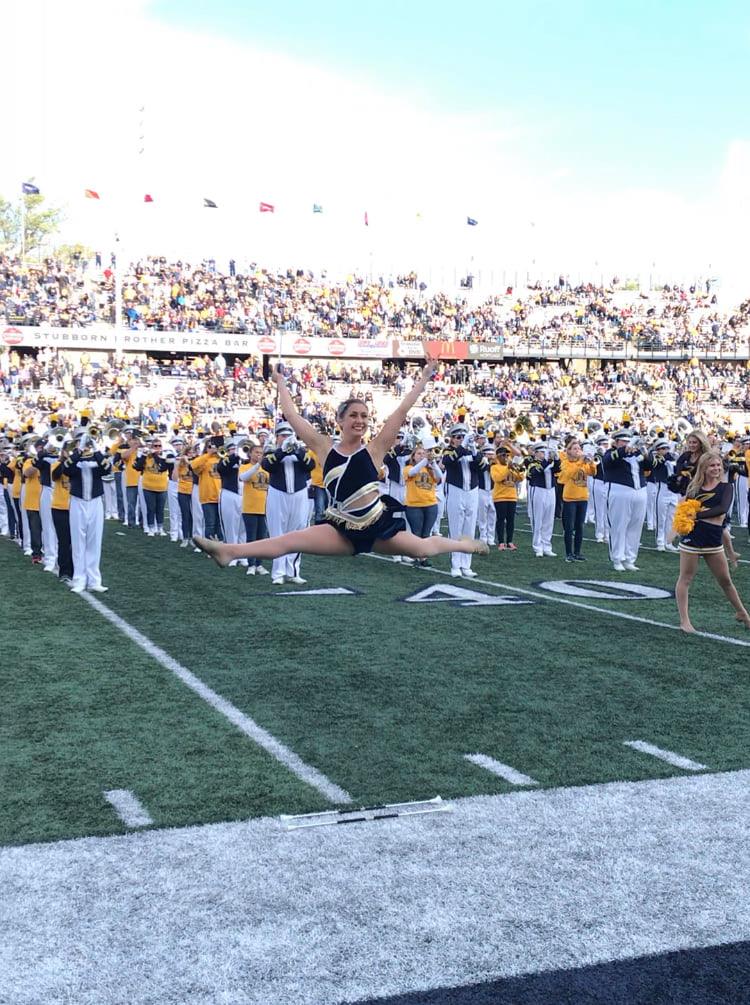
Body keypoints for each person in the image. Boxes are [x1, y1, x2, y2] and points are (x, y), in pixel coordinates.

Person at [193, 355, 488, 567]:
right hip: (341, 529)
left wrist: (424, 378)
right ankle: (229, 551)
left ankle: (463, 544)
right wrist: (281, 384)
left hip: (376, 526)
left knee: (422, 549)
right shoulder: (325, 449)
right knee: (289, 540)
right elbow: (293, 417)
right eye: (353, 416)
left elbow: (400, 412)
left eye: (363, 416)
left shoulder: (375, 449)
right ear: (339, 421)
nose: (359, 421)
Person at [675, 451, 750, 633]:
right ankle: (684, 621)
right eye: (712, 466)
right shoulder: (694, 489)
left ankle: (742, 613)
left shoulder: (726, 488)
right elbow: (684, 511)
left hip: (714, 538)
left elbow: (722, 510)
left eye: (718, 465)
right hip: (694, 538)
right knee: (685, 579)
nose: (716, 469)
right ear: (704, 468)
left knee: (725, 580)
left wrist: (730, 551)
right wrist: (686, 520)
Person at [557, 439, 597, 562]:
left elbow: (593, 472)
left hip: (583, 497)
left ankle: (577, 552)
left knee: (580, 526)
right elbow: (570, 474)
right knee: (569, 527)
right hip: (570, 498)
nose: (578, 451)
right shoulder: (565, 462)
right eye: (575, 449)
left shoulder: (583, 462)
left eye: (579, 449)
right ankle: (568, 553)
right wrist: (580, 462)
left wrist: (591, 463)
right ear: (569, 451)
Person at [403, 442, 442, 567]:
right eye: (419, 454)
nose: (421, 455)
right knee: (416, 533)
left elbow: (440, 478)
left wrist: (434, 463)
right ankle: (416, 556)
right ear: (413, 456)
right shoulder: (408, 468)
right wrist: (425, 461)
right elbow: (413, 473)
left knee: (426, 533)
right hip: (414, 505)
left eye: (423, 453)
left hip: (430, 504)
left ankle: (423, 558)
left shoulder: (429, 468)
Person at [238, 442, 270, 575]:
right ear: (250, 453)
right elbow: (243, 477)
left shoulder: (267, 469)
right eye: (256, 452)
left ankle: (259, 564)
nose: (259, 455)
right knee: (251, 538)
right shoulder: (244, 466)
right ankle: (251, 564)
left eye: (261, 453)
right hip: (249, 508)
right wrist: (257, 465)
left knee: (261, 538)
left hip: (264, 508)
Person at [524, 441, 559, 558]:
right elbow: (536, 471)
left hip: (551, 490)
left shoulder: (549, 462)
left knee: (549, 520)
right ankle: (538, 546)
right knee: (537, 519)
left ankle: (547, 546)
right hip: (538, 490)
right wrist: (548, 460)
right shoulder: (532, 462)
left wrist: (556, 456)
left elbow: (558, 469)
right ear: (536, 453)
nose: (545, 454)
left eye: (545, 451)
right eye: (542, 452)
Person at [490, 444, 525, 551]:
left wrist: (518, 469)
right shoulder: (494, 467)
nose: (506, 458)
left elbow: (521, 478)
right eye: (504, 455)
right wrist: (507, 469)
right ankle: (501, 542)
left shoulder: (511, 466)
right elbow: (497, 478)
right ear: (498, 457)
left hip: (512, 497)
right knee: (501, 519)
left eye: (507, 455)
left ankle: (510, 541)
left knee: (511, 520)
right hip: (500, 497)